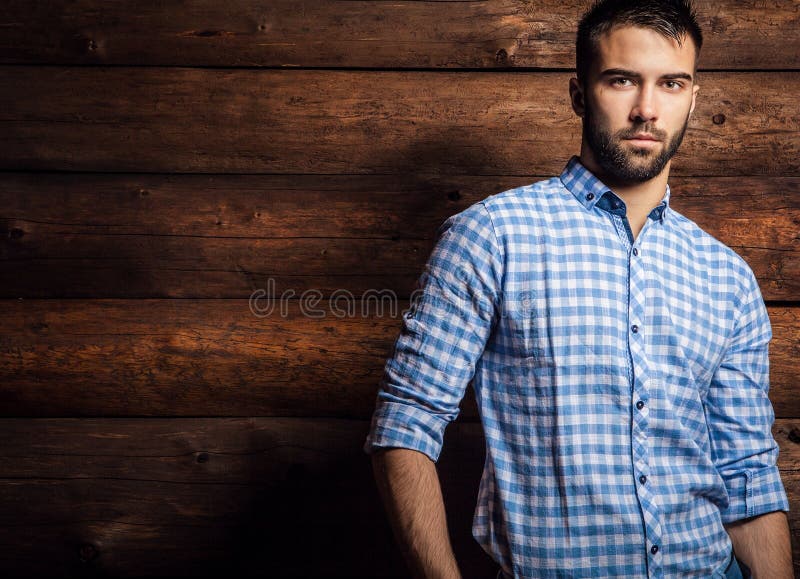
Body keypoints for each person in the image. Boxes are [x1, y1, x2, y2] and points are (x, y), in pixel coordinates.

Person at [363, 0, 792, 577]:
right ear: (577, 92)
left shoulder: (727, 277)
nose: (646, 109)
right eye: (622, 80)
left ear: (692, 97)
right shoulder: (493, 236)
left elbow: (747, 476)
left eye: (671, 83)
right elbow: (405, 426)